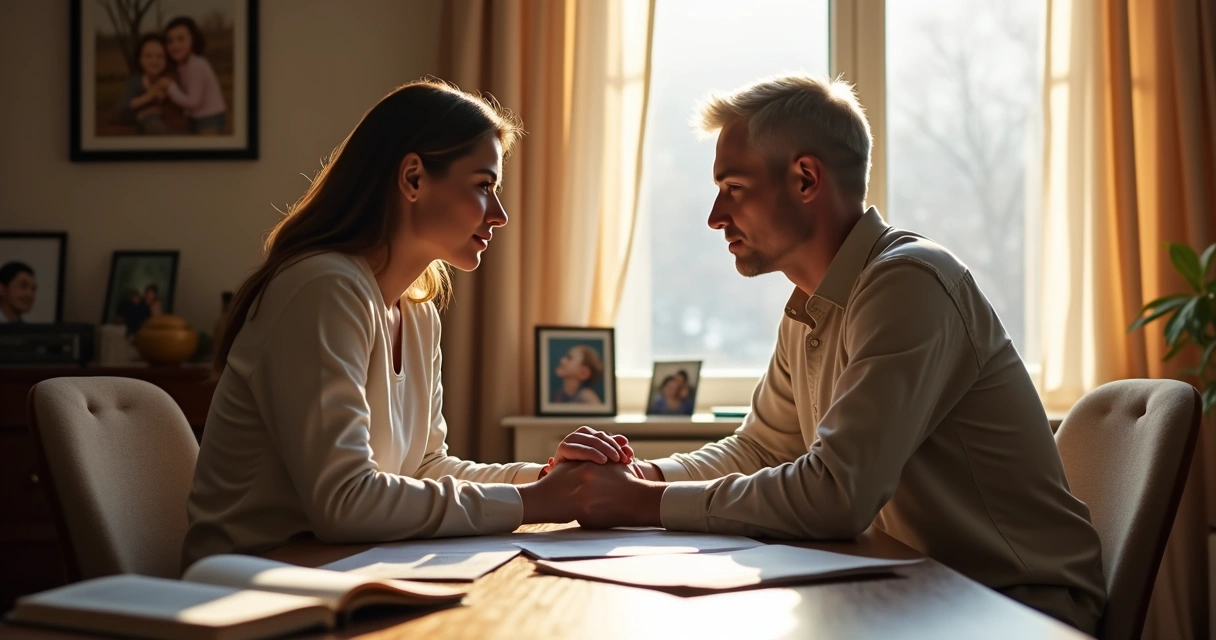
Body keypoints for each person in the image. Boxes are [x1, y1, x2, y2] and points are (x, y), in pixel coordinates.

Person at [541, 75, 1107, 633]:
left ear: (806, 179)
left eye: (733, 187)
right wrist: (642, 475)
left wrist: (643, 502)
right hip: (917, 590)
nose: (715, 215)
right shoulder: (813, 302)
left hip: (1018, 608)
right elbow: (762, 446)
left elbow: (837, 495)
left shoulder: (908, 282)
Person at [183, 80, 635, 570]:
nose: (500, 215)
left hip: (343, 568)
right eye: (484, 186)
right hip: (254, 582)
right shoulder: (323, 287)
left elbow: (426, 468)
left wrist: (549, 477)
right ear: (413, 179)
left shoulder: (416, 311)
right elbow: (345, 504)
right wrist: (542, 501)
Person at [163, 16, 227, 134]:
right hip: (194, 118)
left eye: (181, 39)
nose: (175, 45)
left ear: (193, 40)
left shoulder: (197, 65)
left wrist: (170, 87)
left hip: (209, 119)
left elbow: (193, 102)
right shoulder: (181, 65)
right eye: (170, 41)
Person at [119, 34, 172, 134]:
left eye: (160, 56)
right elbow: (125, 107)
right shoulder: (135, 81)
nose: (154, 61)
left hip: (169, 123)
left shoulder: (170, 78)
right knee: (154, 124)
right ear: (140, 60)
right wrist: (151, 95)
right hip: (147, 126)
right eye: (148, 56)